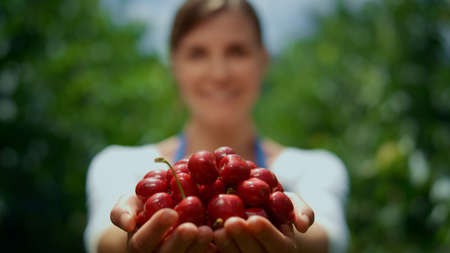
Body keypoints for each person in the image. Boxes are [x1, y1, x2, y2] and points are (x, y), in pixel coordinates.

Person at [84, 0, 349, 252]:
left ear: (263, 61)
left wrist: (288, 229)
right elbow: (103, 239)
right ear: (174, 65)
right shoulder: (119, 164)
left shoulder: (313, 168)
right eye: (197, 53)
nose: (219, 73)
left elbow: (329, 239)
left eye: (237, 51)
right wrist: (132, 235)